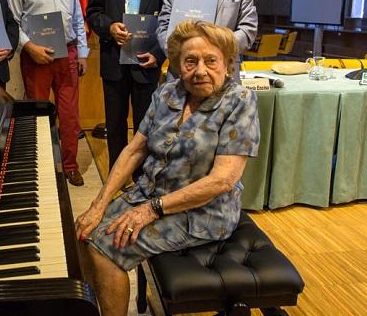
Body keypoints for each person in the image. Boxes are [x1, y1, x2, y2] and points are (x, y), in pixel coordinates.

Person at [75, 21, 260, 316]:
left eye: (210, 61)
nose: (200, 70)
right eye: (190, 61)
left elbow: (222, 181)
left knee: (105, 250)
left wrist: (150, 210)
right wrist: (99, 203)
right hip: (150, 192)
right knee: (84, 230)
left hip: (204, 211)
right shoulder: (168, 93)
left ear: (227, 63)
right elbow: (135, 149)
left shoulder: (239, 101)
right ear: (178, 64)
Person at [86, 0, 176, 174]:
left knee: (145, 126)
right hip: (114, 59)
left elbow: (169, 21)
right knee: (114, 126)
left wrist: (159, 56)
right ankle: (117, 175)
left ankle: (141, 177)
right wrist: (109, 27)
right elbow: (93, 12)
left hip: (146, 62)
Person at [7, 0, 88, 186]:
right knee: (38, 115)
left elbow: (77, 18)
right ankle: (39, 167)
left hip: (68, 54)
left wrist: (83, 53)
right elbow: (13, 22)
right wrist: (29, 47)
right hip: (36, 58)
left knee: (69, 115)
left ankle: (70, 166)